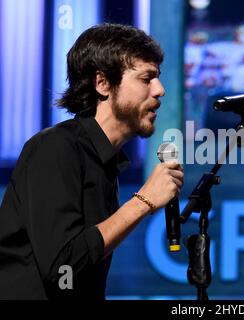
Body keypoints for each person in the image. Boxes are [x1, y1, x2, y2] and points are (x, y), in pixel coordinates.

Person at [0, 23, 184, 299]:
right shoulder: (55, 148)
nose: (160, 90)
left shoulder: (105, 162)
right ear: (103, 83)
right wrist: (143, 200)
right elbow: (62, 267)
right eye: (146, 79)